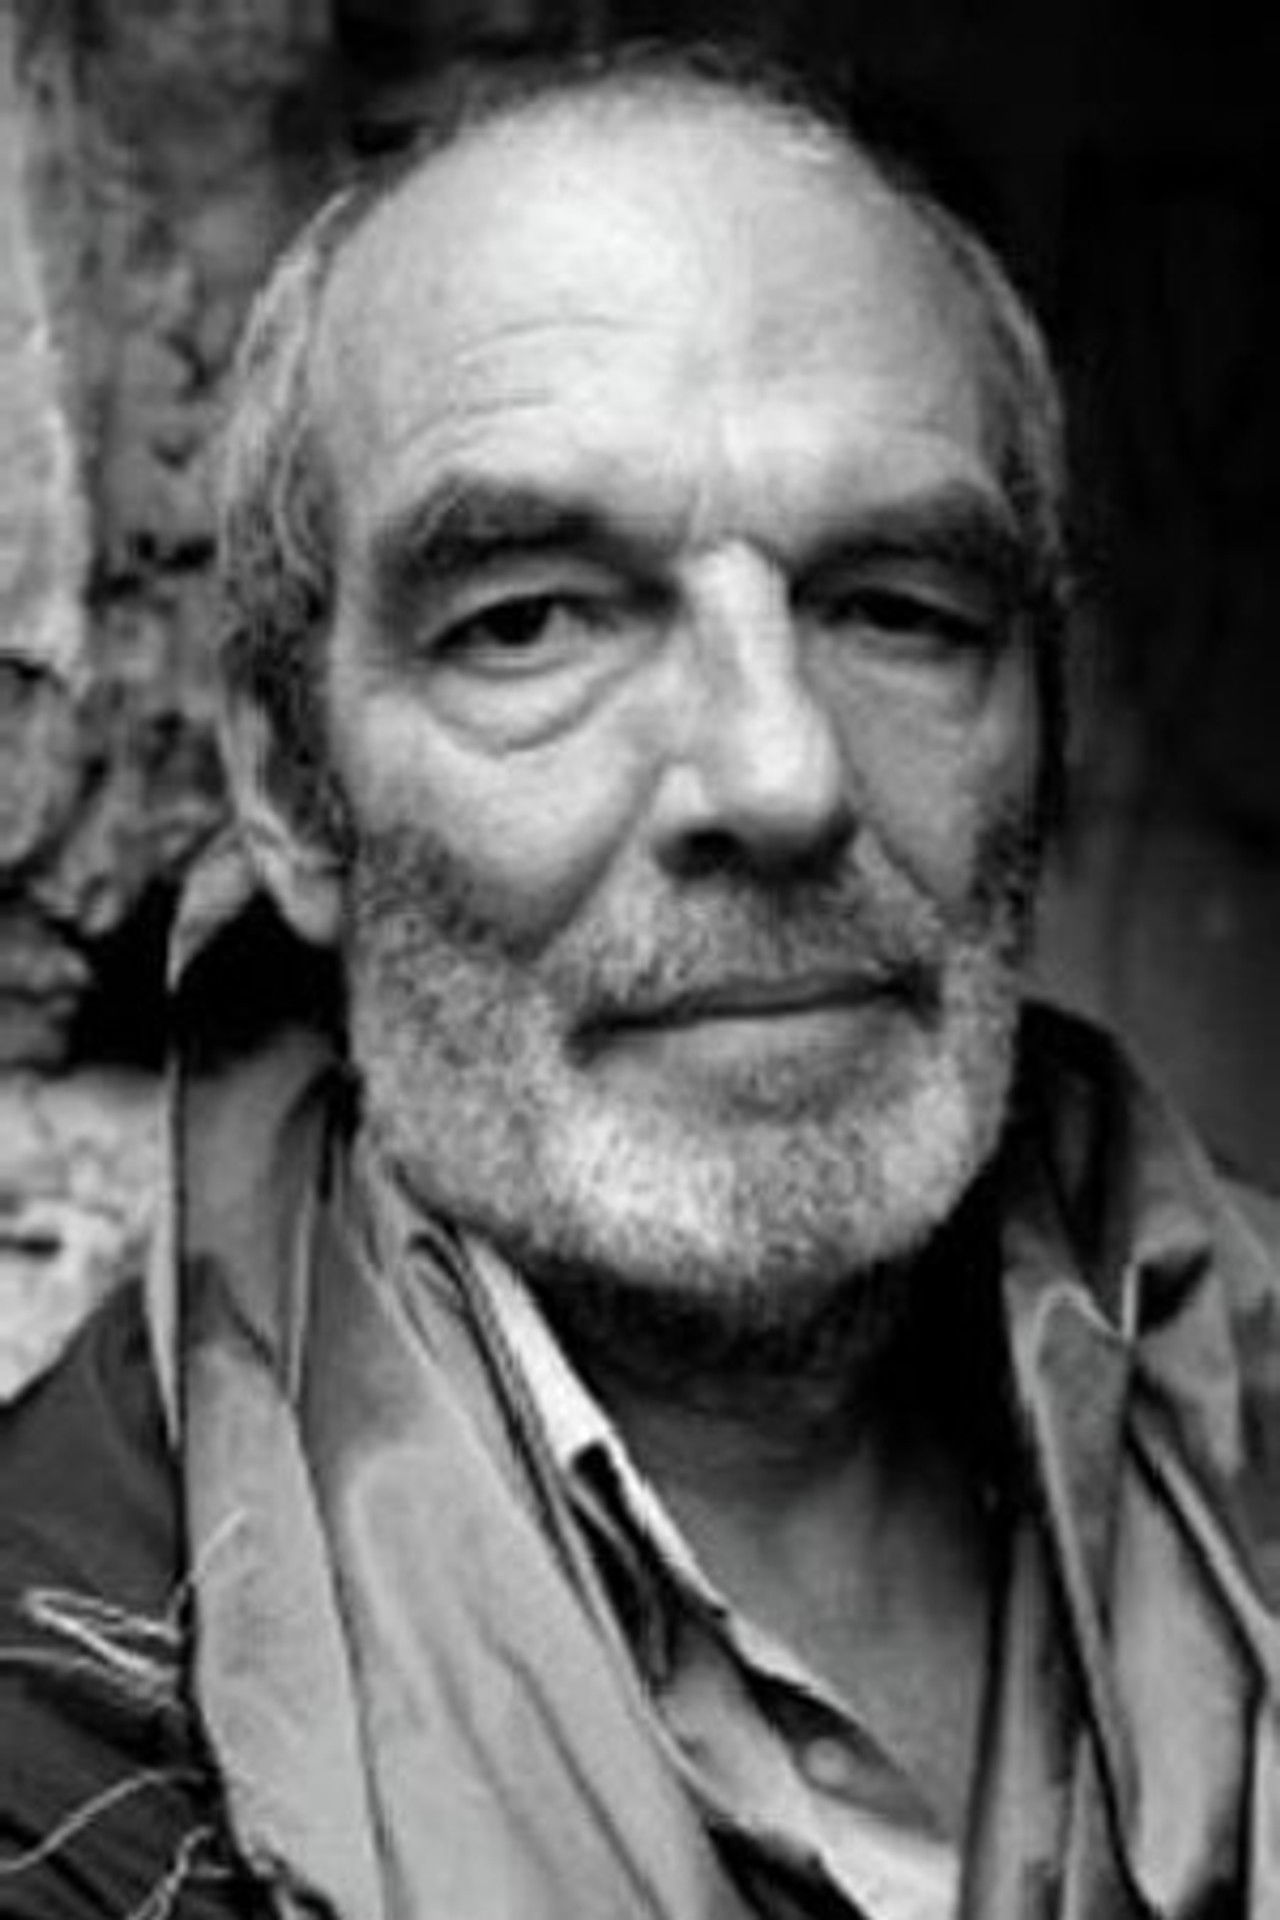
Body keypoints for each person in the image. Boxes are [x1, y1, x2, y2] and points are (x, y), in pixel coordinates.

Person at [2, 43, 1278, 1920]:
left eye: (901, 612)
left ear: (1050, 728)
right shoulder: (57, 1763)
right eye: (530, 622)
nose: (780, 777)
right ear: (289, 786)